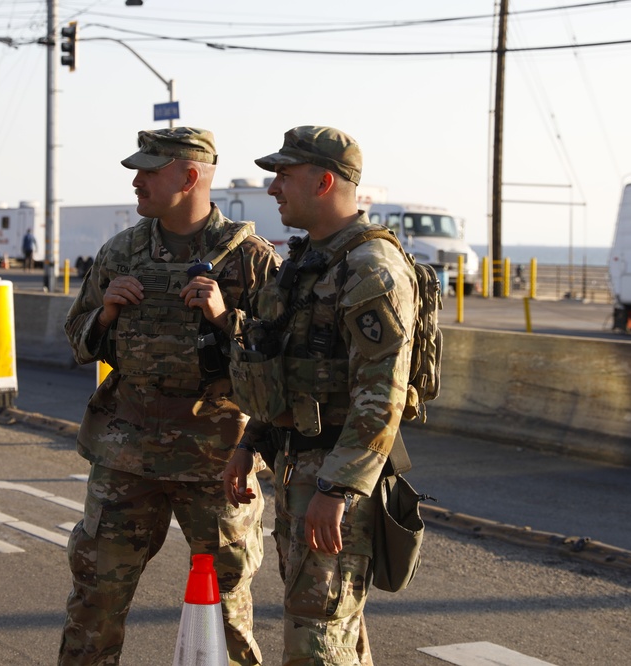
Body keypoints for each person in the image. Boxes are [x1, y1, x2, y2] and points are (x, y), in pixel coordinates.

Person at [59, 127, 282, 666]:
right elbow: (78, 340)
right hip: (127, 452)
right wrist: (105, 311)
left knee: (227, 602)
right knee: (96, 596)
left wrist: (225, 318)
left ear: (188, 176)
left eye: (149, 170)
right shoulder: (122, 251)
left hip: (216, 457)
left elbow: (280, 362)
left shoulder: (249, 258)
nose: (136, 181)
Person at [223, 126, 419, 665]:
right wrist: (251, 443)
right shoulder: (307, 262)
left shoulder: (371, 269)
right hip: (299, 466)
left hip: (333, 475)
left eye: (284, 175)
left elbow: (383, 394)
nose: (273, 188)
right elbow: (285, 367)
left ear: (325, 179)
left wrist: (338, 488)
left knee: (316, 642)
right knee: (330, 633)